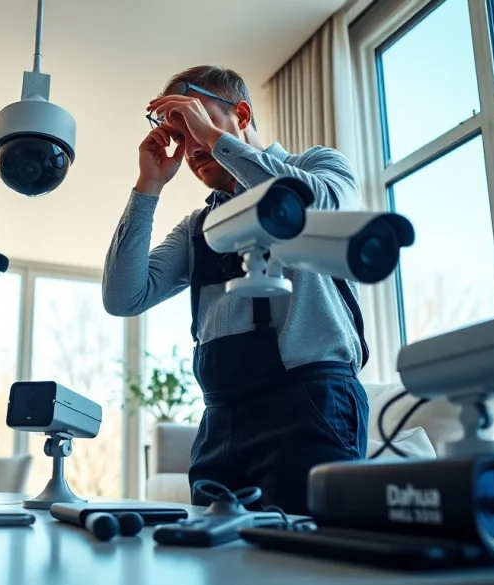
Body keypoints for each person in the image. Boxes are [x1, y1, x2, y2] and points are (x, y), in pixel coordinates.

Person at [102, 65, 369, 514]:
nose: (190, 146)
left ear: (240, 114)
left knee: (304, 564)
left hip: (311, 406)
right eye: (181, 135)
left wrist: (216, 142)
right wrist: (148, 186)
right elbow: (124, 296)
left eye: (195, 122)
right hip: (220, 420)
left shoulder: (319, 167)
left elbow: (312, 207)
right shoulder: (199, 226)